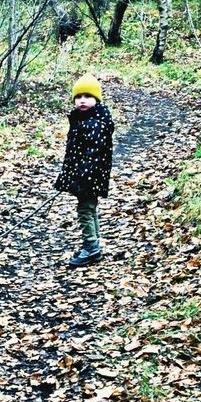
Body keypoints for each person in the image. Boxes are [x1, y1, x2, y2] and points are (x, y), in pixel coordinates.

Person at [54, 74, 114, 268]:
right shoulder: (82, 120)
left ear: (96, 99)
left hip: (90, 177)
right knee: (90, 208)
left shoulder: (94, 123)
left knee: (85, 210)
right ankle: (94, 244)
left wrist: (81, 176)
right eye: (78, 97)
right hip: (85, 176)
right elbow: (74, 154)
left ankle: (91, 247)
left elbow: (93, 155)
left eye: (87, 96)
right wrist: (67, 177)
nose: (82, 100)